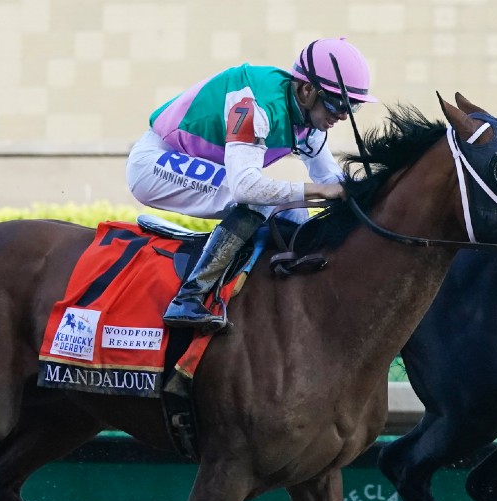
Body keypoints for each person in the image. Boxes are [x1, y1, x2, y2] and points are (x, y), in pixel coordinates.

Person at [126, 37, 378, 333]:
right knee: (262, 199)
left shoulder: (310, 121)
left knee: (295, 214)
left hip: (202, 165)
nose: (342, 115)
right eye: (337, 103)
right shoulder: (254, 104)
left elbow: (332, 180)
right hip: (155, 163)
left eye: (353, 107)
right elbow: (246, 187)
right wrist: (317, 191)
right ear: (308, 90)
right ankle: (189, 297)